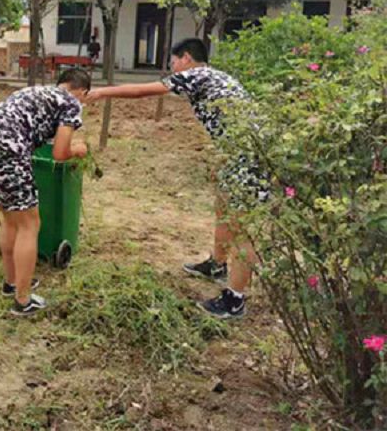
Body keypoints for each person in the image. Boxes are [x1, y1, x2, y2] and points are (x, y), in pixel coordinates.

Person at [86, 38, 269, 319]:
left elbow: (143, 91)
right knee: (223, 206)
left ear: (185, 58)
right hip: (237, 153)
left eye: (173, 62)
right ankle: (217, 264)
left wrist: (101, 93)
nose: (172, 68)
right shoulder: (215, 76)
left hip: (249, 158)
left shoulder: (196, 75)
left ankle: (235, 300)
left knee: (242, 228)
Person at [0, 68, 91, 317]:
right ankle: (23, 300)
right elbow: (60, 153)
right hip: (9, 155)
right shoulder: (71, 103)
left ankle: (12, 282)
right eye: (84, 98)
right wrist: (78, 149)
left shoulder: (37, 93)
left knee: (11, 218)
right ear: (82, 92)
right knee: (30, 224)